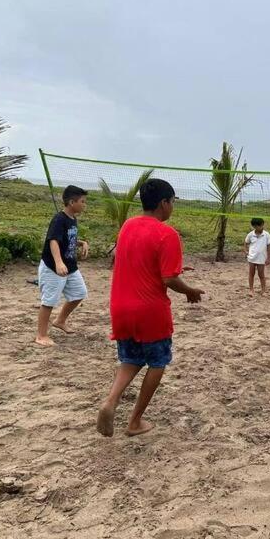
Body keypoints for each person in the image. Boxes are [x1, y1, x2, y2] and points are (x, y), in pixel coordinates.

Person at [97, 178, 204, 437]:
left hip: (120, 306)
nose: (173, 207)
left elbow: (142, 262)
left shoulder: (128, 226)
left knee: (131, 358)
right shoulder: (167, 233)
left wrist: (175, 270)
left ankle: (110, 402)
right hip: (150, 310)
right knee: (158, 361)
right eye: (173, 201)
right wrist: (189, 291)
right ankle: (135, 421)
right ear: (164, 203)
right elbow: (169, 280)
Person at [35, 185, 90, 347]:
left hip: (70, 266)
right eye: (82, 201)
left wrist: (82, 243)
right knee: (49, 301)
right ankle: (41, 335)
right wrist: (58, 262)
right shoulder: (59, 219)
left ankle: (60, 320)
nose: (84, 204)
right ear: (72, 202)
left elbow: (67, 238)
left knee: (80, 292)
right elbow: (53, 240)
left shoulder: (72, 219)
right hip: (53, 267)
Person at [244, 217, 270, 296]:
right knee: (251, 274)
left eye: (259, 226)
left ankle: (263, 290)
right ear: (253, 226)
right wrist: (245, 251)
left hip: (261, 258)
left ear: (262, 225)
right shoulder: (251, 234)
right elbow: (246, 242)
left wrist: (268, 258)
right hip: (252, 258)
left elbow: (269, 247)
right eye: (255, 226)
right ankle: (251, 290)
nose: (257, 228)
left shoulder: (266, 235)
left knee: (261, 275)